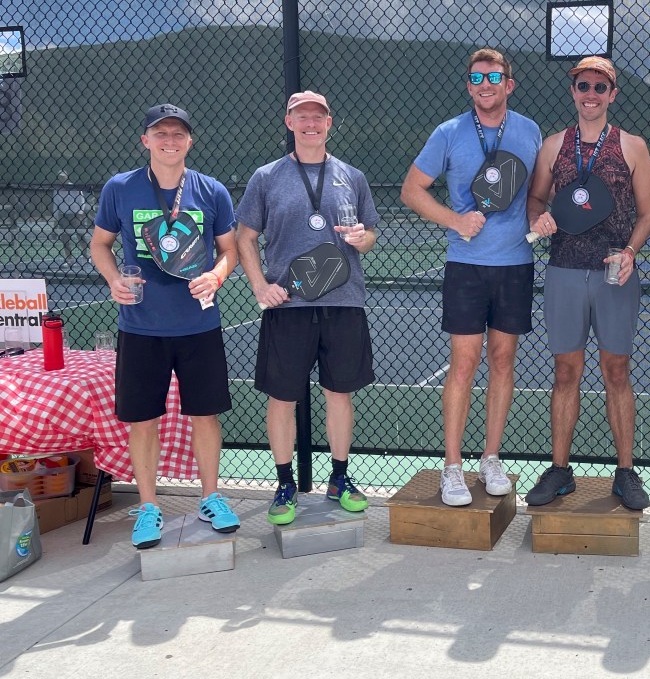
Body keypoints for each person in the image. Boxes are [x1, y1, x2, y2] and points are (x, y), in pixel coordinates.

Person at [91, 104, 240, 548]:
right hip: (140, 327)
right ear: (146, 140)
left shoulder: (212, 191)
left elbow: (230, 250)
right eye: (161, 133)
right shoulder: (120, 188)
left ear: (190, 141)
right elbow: (100, 245)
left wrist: (216, 275)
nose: (169, 141)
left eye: (178, 134)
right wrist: (114, 279)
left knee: (205, 415)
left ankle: (211, 497)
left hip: (198, 325)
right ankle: (149, 506)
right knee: (142, 421)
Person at [400, 48, 541, 506]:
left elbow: (537, 193)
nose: (485, 85)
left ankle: (491, 458)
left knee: (503, 361)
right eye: (477, 78)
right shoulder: (448, 133)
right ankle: (453, 467)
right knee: (464, 364)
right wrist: (455, 220)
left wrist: (539, 217)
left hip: (515, 264)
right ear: (468, 85)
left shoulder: (529, 131)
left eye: (494, 77)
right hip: (465, 266)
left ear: (509, 85)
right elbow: (411, 190)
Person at [236, 90, 380, 526]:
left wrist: (362, 239)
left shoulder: (352, 176)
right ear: (290, 122)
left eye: (318, 117)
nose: (311, 124)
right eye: (303, 117)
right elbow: (245, 238)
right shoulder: (266, 177)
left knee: (340, 394)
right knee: (282, 397)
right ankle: (284, 483)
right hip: (288, 304)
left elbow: (370, 236)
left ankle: (339, 477)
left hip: (343, 301)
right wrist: (260, 286)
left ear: (329, 123)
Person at [524, 56, 650, 510]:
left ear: (612, 94)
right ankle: (560, 470)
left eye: (601, 87)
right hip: (563, 269)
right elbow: (536, 199)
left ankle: (626, 471)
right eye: (584, 86)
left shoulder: (633, 146)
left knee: (616, 371)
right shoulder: (553, 146)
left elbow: (646, 214)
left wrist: (631, 252)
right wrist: (537, 217)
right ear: (574, 91)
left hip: (614, 273)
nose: (591, 94)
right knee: (566, 371)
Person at [53, 170, 90, 263]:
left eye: (63, 176)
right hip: (63, 216)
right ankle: (69, 259)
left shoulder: (74, 187)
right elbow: (55, 205)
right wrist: (56, 219)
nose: (61, 178)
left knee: (81, 236)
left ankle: (86, 256)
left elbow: (81, 201)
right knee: (65, 239)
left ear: (67, 176)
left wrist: (80, 214)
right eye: (60, 177)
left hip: (76, 215)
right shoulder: (57, 190)